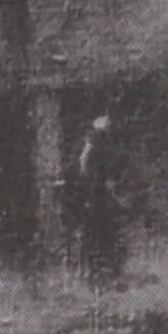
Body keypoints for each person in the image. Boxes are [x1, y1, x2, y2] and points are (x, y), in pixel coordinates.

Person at [73, 113, 129, 284]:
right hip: (94, 194)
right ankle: (90, 270)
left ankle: (104, 268)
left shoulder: (102, 147)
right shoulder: (94, 144)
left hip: (99, 194)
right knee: (94, 232)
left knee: (104, 232)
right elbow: (85, 165)